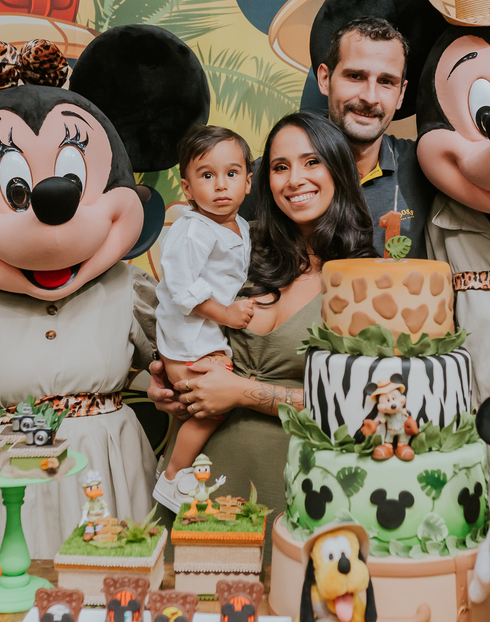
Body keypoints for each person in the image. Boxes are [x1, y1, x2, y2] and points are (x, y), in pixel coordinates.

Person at [147, 112, 376, 547]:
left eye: (312, 162)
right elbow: (182, 312)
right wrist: (170, 384)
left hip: (291, 488)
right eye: (280, 166)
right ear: (264, 181)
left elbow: (363, 408)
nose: (295, 179)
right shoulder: (237, 246)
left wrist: (242, 393)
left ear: (339, 169)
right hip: (193, 486)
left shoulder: (367, 279)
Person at [243, 18, 436, 258]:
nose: (370, 97)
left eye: (386, 82)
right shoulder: (274, 178)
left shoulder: (426, 168)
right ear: (325, 79)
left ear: (401, 94)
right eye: (355, 76)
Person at [152, 125, 256, 511]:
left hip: (208, 332)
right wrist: (228, 314)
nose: (221, 185)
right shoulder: (192, 230)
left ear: (248, 181)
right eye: (207, 175)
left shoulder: (239, 225)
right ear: (187, 188)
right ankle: (172, 476)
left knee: (206, 404)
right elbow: (183, 289)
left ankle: (172, 470)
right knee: (214, 404)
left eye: (232, 173)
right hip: (189, 336)